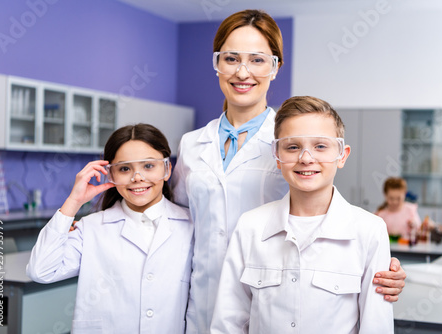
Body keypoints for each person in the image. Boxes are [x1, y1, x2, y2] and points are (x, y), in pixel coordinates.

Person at [171, 9, 405, 334]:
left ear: (275, 66)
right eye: (230, 58)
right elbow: (177, 222)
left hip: (276, 297)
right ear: (217, 64)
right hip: (201, 303)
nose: (242, 71)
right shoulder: (191, 144)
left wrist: (375, 266)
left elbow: (324, 210)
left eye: (257, 59)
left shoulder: (292, 140)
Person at [211, 96, 394, 333]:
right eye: (292, 146)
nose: (306, 158)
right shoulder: (250, 226)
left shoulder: (369, 230)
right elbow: (228, 322)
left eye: (320, 146)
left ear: (342, 155)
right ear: (277, 156)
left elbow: (376, 325)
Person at [26, 124, 193, 334]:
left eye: (149, 166)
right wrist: (74, 201)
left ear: (167, 169)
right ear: (110, 174)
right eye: (125, 168)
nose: (137, 177)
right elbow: (41, 270)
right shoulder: (92, 228)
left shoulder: (191, 226)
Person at [375, 177, 421, 242]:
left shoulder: (410, 210)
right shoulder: (381, 215)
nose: (395, 202)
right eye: (391, 198)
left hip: (406, 249)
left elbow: (419, 229)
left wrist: (414, 226)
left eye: (398, 198)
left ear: (405, 195)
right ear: (385, 195)